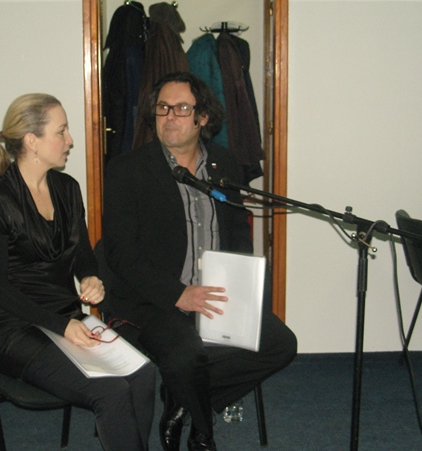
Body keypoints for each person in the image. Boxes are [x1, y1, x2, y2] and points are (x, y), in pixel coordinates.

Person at [101, 73, 297, 451]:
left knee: (280, 344)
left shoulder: (225, 164)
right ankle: (203, 436)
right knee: (186, 356)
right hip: (155, 300)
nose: (169, 117)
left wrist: (240, 286)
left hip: (213, 296)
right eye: (162, 108)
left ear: (202, 117)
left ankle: (181, 399)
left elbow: (238, 233)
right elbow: (120, 254)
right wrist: (178, 294)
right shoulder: (127, 170)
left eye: (181, 108)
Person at [0, 93, 155, 451]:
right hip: (16, 329)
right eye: (61, 131)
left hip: (66, 319)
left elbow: (83, 256)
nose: (70, 140)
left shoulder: (68, 189)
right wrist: (61, 325)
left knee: (144, 374)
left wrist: (91, 277)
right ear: (32, 141)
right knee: (111, 390)